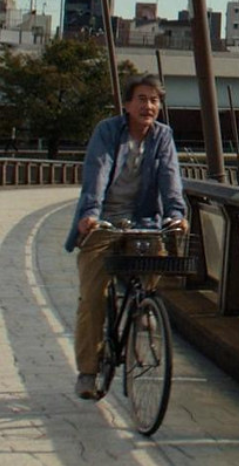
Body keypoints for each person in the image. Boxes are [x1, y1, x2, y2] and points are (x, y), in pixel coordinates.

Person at [64, 74, 187, 400]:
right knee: (92, 297)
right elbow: (98, 170)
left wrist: (176, 214)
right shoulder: (108, 131)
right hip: (104, 222)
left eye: (154, 100)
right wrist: (90, 213)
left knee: (159, 252)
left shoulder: (163, 137)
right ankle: (88, 372)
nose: (148, 106)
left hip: (144, 221)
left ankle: (143, 303)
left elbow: (170, 177)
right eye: (142, 99)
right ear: (127, 104)